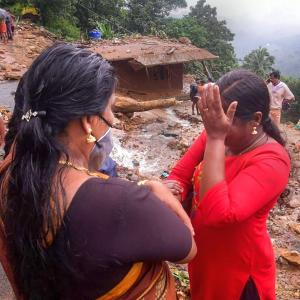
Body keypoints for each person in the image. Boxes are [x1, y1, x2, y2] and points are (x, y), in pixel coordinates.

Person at [0, 43, 196, 300]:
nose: (113, 119)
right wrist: (155, 188)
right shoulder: (122, 204)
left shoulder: (10, 175)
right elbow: (188, 249)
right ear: (88, 122)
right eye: (111, 107)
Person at [165, 70, 290, 300]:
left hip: (238, 274)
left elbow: (217, 214)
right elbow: (179, 176)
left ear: (255, 120)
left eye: (225, 121)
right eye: (215, 118)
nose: (216, 125)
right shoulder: (218, 133)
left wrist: (215, 138)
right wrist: (174, 191)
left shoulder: (272, 160)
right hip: (204, 260)